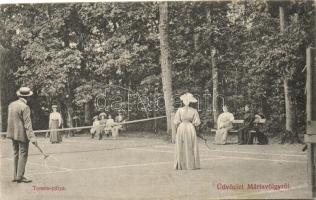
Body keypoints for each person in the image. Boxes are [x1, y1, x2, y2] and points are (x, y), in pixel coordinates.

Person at [6, 87, 37, 183]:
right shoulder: (25, 107)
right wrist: (32, 138)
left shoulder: (11, 104)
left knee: (16, 154)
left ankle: (16, 175)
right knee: (23, 154)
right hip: (22, 135)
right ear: (28, 97)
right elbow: (27, 124)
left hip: (12, 133)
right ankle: (20, 176)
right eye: (30, 97)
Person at [174, 93, 201, 170]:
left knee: (182, 144)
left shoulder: (179, 110)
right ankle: (190, 164)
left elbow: (176, 121)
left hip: (182, 127)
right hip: (190, 128)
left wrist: (177, 129)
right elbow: (197, 122)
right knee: (190, 145)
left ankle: (182, 164)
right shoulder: (194, 111)